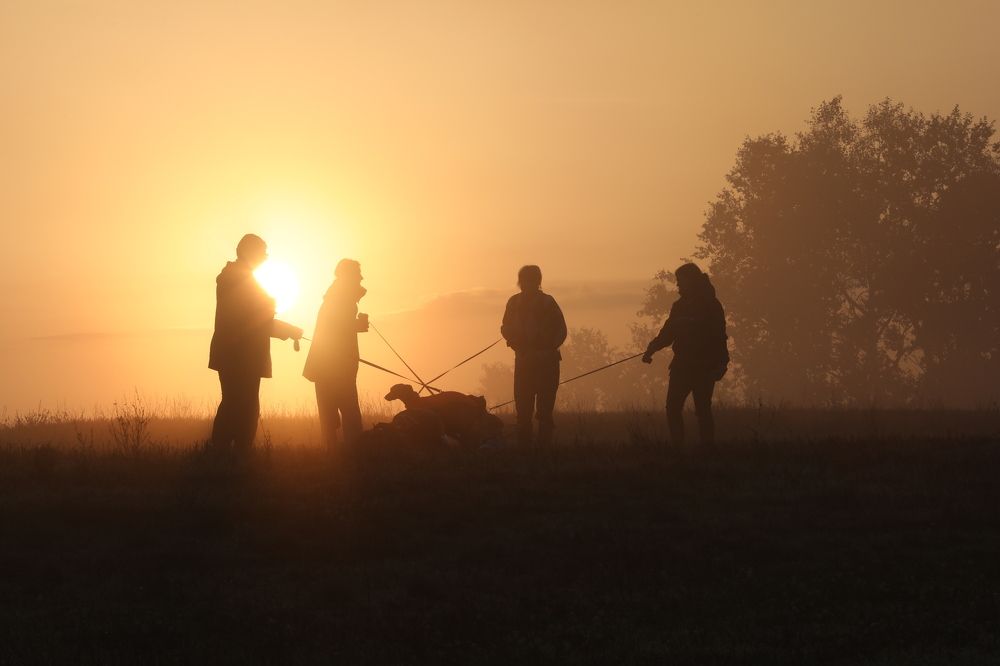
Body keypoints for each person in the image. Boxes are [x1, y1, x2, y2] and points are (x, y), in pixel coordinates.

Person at [209, 234, 303, 453]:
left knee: (235, 403)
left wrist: (286, 330)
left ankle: (224, 453)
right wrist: (287, 330)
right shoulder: (240, 280)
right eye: (263, 252)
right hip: (241, 356)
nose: (265, 257)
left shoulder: (235, 277)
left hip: (236, 355)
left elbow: (256, 320)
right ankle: (235, 454)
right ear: (250, 252)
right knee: (244, 406)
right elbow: (255, 320)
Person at [642, 262, 729, 446]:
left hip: (704, 366)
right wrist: (652, 348)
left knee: (702, 410)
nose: (678, 286)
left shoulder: (711, 305)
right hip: (681, 364)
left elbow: (719, 335)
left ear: (691, 281)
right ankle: (678, 447)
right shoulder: (679, 306)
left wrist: (722, 362)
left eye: (681, 282)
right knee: (672, 408)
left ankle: (707, 450)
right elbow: (668, 333)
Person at [303, 259, 369, 452]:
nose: (361, 278)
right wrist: (358, 325)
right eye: (357, 274)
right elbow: (338, 328)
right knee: (348, 410)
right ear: (349, 276)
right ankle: (354, 451)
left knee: (329, 410)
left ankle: (333, 453)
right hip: (337, 363)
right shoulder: (340, 299)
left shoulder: (335, 297)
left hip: (325, 363)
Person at [501, 265, 567, 446]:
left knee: (545, 408)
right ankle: (524, 447)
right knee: (523, 407)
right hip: (524, 361)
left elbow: (561, 330)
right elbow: (505, 327)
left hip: (547, 362)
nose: (526, 284)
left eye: (530, 280)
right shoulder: (513, 303)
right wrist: (514, 342)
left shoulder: (548, 303)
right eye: (523, 280)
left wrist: (547, 349)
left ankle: (543, 446)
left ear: (537, 282)